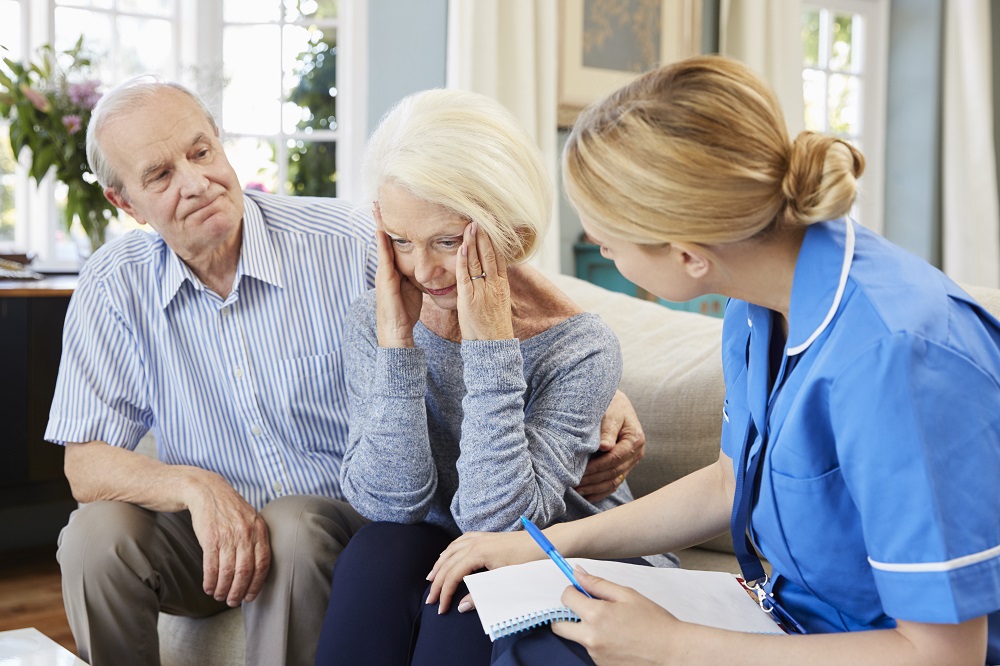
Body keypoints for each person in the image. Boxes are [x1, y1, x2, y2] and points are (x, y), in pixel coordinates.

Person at [45, 78, 647, 666]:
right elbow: (85, 463)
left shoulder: (346, 238)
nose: (197, 182)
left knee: (301, 528)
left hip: (334, 517)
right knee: (93, 538)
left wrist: (599, 385)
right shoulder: (113, 283)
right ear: (124, 202)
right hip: (226, 530)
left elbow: (493, 268)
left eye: (201, 152)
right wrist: (194, 488)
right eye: (160, 175)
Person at [426, 55, 1000, 666]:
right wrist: (542, 546)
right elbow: (731, 482)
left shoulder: (899, 358)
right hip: (787, 616)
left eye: (610, 244)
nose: (598, 246)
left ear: (687, 255)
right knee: (519, 633)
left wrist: (673, 646)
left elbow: (941, 655)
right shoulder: (756, 303)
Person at [313, 89, 667, 665]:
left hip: (563, 553)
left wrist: (490, 348)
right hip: (444, 544)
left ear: (508, 230)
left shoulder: (579, 346)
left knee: (468, 594)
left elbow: (500, 523)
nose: (423, 270)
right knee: (377, 550)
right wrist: (398, 346)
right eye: (401, 241)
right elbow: (390, 503)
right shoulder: (375, 320)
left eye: (448, 242)